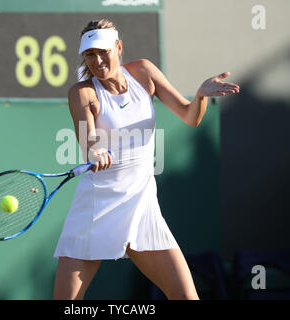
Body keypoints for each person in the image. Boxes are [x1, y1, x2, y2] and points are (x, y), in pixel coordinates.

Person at [53, 19, 240, 300]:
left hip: (141, 205)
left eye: (104, 51)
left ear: (118, 47)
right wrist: (95, 152)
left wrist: (200, 95)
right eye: (90, 54)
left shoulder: (144, 72)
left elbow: (190, 116)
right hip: (96, 206)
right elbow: (88, 141)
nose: (98, 60)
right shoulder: (82, 93)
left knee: (186, 298)